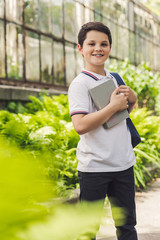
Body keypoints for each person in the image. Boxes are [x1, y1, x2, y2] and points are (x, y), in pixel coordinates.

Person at [68, 21, 138, 240]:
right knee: (88, 230)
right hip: (95, 168)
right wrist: (113, 106)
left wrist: (132, 101)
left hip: (124, 164)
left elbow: (120, 116)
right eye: (91, 43)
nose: (98, 48)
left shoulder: (114, 78)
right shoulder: (80, 84)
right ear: (80, 48)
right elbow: (80, 126)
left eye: (104, 44)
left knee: (127, 227)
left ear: (110, 48)